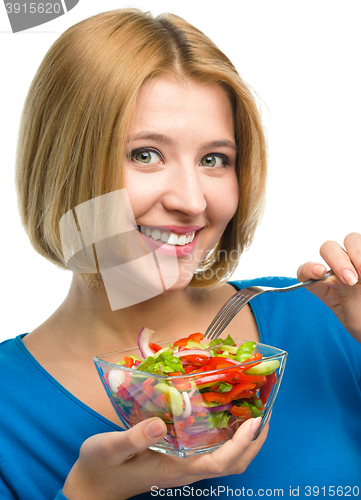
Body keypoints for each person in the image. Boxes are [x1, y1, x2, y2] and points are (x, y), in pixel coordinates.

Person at [1, 8, 360, 500]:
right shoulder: (8, 409)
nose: (192, 202)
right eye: (145, 154)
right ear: (64, 165)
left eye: (215, 160)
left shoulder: (322, 318)